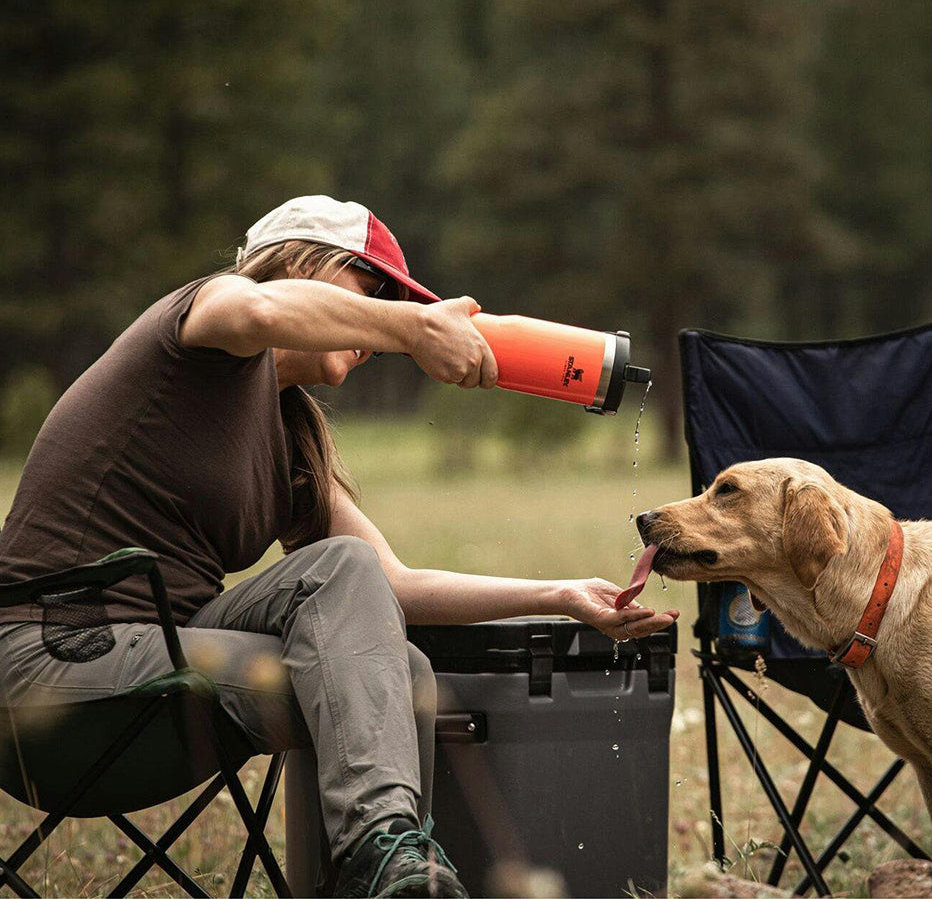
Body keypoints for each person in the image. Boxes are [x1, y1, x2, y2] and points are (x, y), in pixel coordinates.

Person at [0, 196, 679, 898]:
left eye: (394, 307)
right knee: (343, 580)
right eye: (372, 289)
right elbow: (256, 310)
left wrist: (561, 595)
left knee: (402, 671)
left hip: (163, 667)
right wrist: (415, 327)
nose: (379, 324)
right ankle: (384, 855)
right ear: (299, 263)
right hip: (51, 664)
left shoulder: (289, 435)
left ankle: (389, 870)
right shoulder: (202, 321)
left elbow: (388, 586)